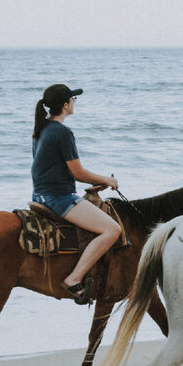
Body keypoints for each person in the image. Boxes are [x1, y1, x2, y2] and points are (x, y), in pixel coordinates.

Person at [31, 83, 121, 305]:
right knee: (112, 229)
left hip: (41, 194)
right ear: (65, 105)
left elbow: (53, 169)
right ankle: (74, 278)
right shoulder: (62, 132)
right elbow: (77, 172)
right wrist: (106, 180)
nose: (74, 103)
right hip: (58, 197)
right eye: (73, 99)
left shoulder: (41, 129)